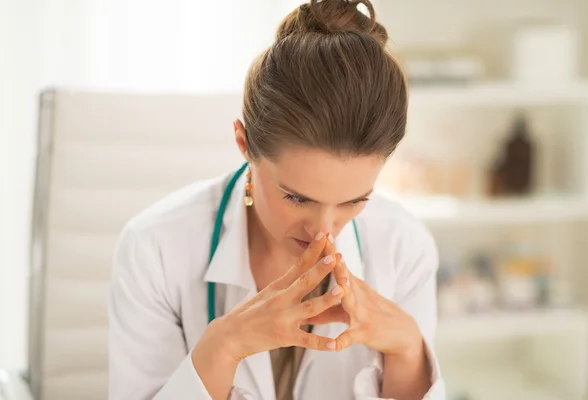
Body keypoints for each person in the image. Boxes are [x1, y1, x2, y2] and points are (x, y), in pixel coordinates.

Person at [108, 0, 445, 399]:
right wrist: (224, 346)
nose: (324, 230)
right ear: (244, 143)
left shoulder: (404, 248)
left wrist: (407, 347)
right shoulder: (155, 248)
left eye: (354, 201)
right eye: (297, 198)